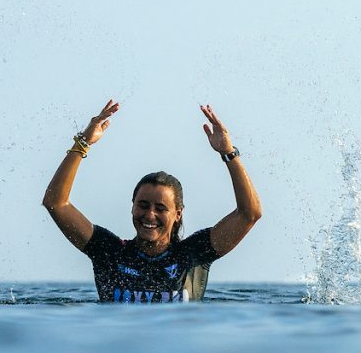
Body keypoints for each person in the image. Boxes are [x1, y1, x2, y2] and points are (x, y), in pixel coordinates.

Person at [42, 99, 262, 302]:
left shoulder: (194, 254)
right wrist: (82, 143)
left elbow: (249, 214)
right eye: (143, 205)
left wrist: (229, 153)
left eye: (161, 208)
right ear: (132, 207)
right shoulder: (108, 251)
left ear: (178, 214)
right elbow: (55, 203)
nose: (149, 215)